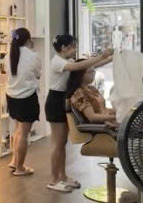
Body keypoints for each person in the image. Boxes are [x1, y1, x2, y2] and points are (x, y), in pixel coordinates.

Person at [44, 35, 113, 193]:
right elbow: (78, 67)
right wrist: (102, 55)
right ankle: (53, 180)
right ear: (63, 48)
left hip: (63, 100)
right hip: (55, 102)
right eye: (73, 47)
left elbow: (88, 66)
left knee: (62, 143)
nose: (75, 50)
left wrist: (110, 58)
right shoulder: (57, 62)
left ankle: (62, 176)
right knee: (57, 143)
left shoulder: (67, 61)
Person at [6, 28, 42, 176]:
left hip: (11, 97)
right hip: (27, 98)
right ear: (28, 40)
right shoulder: (33, 56)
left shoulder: (8, 55)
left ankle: (14, 161)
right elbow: (38, 75)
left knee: (17, 131)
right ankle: (20, 168)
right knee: (23, 134)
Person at [67, 64, 118, 129]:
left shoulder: (92, 89)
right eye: (90, 72)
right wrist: (115, 117)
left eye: (94, 71)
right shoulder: (78, 94)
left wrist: (118, 112)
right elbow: (92, 117)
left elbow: (102, 109)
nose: (93, 74)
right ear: (80, 75)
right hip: (99, 127)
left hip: (108, 121)